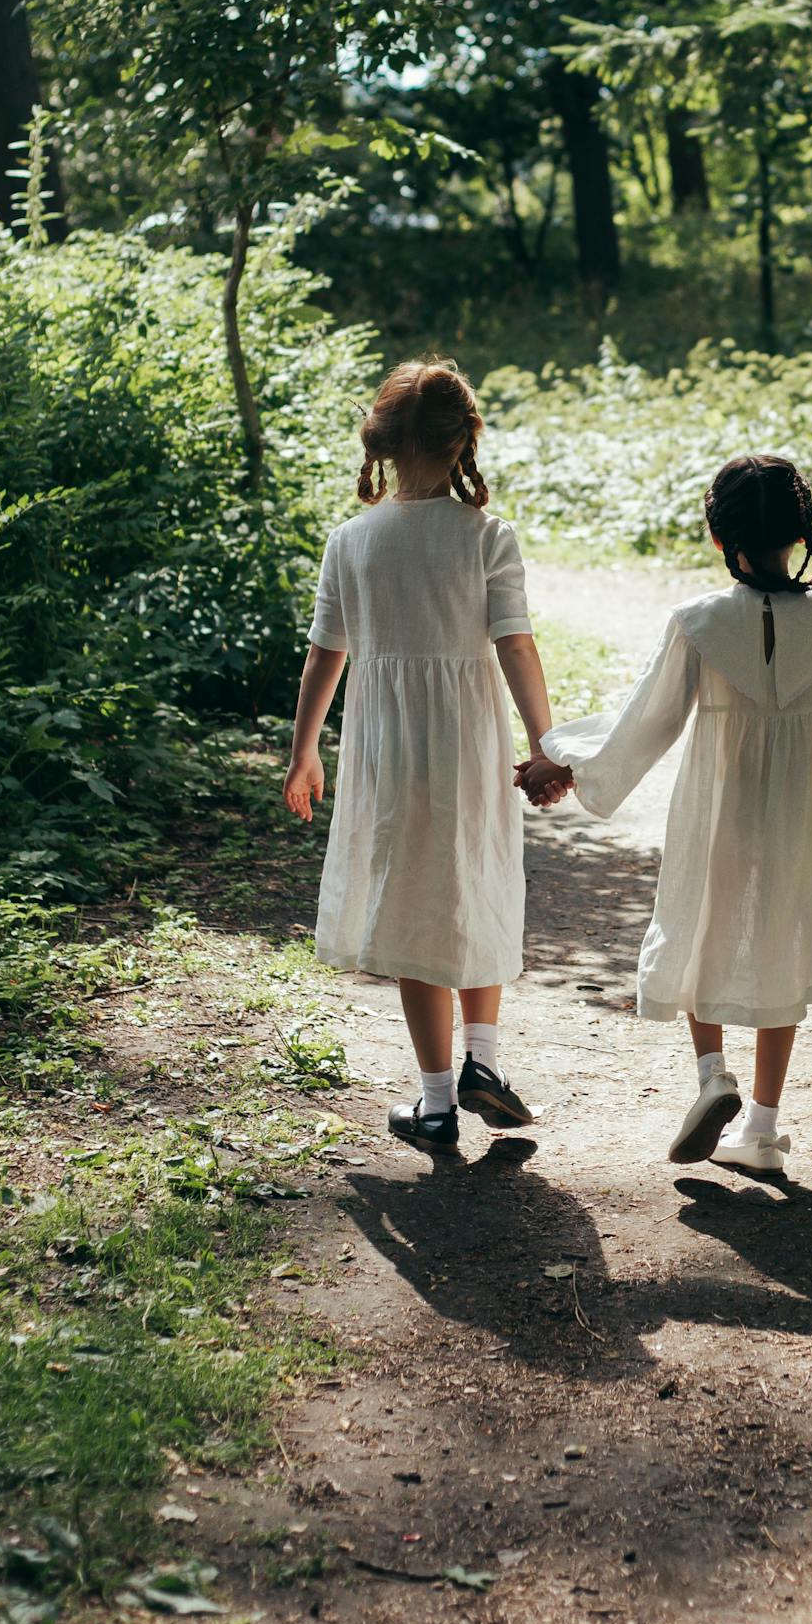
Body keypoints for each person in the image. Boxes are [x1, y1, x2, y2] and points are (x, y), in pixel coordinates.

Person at [527, 452, 812, 1171]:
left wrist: (565, 760)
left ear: (716, 535)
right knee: (784, 941)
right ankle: (760, 1128)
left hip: (715, 809)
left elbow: (646, 719)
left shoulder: (697, 621)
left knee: (700, 925)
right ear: (800, 532)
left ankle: (711, 1077)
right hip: (798, 813)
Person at [283, 359, 564, 1153]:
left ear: (382, 442)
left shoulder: (353, 539)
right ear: (463, 441)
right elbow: (516, 643)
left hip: (385, 747)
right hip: (469, 740)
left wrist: (304, 751)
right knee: (475, 879)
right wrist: (545, 747)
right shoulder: (487, 537)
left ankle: (437, 1102)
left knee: (410, 900)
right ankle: (483, 1061)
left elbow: (323, 655)